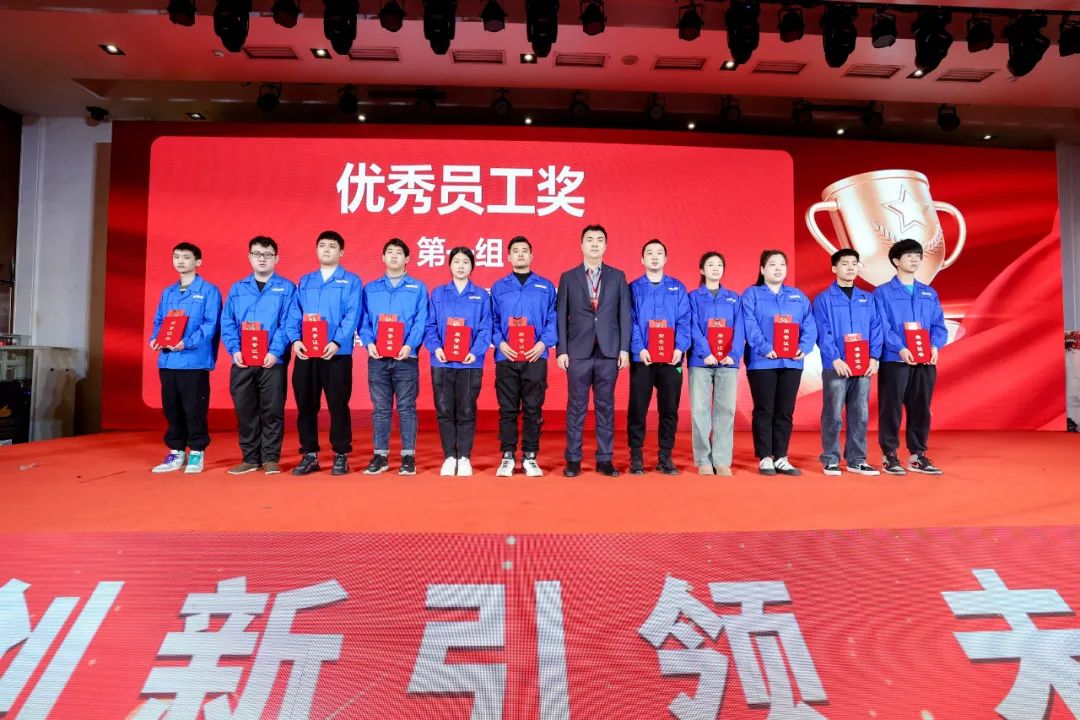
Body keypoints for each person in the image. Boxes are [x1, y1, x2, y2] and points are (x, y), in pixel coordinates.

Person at [556, 224, 631, 478]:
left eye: (599, 239)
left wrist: (624, 349)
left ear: (606, 245)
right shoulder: (569, 277)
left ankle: (605, 459)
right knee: (576, 407)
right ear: (581, 245)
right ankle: (573, 459)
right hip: (578, 351)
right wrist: (561, 350)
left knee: (605, 406)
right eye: (590, 239)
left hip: (609, 351)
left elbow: (624, 314)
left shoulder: (617, 276)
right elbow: (560, 316)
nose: (595, 243)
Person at [286, 231, 362, 476]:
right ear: (316, 250)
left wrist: (337, 342)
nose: (326, 250)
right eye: (322, 245)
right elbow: (294, 313)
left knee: (338, 405)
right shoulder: (306, 281)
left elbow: (352, 314)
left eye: (332, 246)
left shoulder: (351, 281)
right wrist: (296, 340)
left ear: (341, 252)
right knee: (306, 405)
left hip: (337, 354)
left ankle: (341, 454)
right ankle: (309, 455)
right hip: (306, 354)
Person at [220, 236, 296, 475]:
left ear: (276, 258)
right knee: (245, 410)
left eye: (267, 254)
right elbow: (227, 321)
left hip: (273, 361)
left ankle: (271, 457)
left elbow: (288, 322)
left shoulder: (287, 288)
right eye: (257, 254)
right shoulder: (237, 288)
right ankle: (250, 458)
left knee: (272, 410)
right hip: (243, 360)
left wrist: (275, 351)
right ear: (249, 257)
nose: (262, 259)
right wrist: (235, 349)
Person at [873, 238, 948, 475]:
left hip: (924, 361)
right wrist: (900, 348)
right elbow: (882, 326)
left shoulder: (928, 293)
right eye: (909, 256)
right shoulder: (882, 293)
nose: (915, 259)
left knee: (921, 408)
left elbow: (938, 324)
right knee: (891, 408)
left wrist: (935, 346)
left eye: (918, 255)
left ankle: (917, 456)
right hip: (895, 360)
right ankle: (889, 455)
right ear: (896, 261)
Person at [148, 242, 222, 474]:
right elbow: (159, 320)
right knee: (171, 407)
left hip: (194, 361)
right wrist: (155, 338)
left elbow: (210, 325)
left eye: (186, 257)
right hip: (168, 360)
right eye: (176, 256)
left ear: (198, 262)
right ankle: (176, 451)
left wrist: (186, 342)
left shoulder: (209, 291)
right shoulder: (168, 292)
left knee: (194, 408)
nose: (180, 261)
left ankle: (197, 451)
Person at [741, 249, 817, 476]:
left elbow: (809, 325)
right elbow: (749, 324)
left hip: (791, 363)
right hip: (762, 362)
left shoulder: (797, 296)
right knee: (764, 409)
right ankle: (765, 457)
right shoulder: (752, 294)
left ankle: (782, 457)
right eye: (772, 264)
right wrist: (766, 348)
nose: (778, 268)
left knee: (785, 411)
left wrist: (803, 347)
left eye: (782, 264)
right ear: (762, 269)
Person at [358, 238, 428, 476]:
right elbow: (363, 320)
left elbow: (421, 321)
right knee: (380, 409)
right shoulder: (370, 288)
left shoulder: (418, 288)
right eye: (390, 252)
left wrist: (409, 345)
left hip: (406, 358)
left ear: (407, 259)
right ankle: (380, 455)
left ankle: (408, 457)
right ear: (383, 257)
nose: (394, 256)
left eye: (399, 252)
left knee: (407, 408)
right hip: (377, 357)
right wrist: (369, 343)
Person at [490, 236, 557, 477]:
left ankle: (530, 456)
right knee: (507, 409)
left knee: (533, 409)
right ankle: (507, 456)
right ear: (508, 257)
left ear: (531, 256)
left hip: (535, 357)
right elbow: (492, 320)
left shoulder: (545, 286)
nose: (520, 254)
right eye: (515, 251)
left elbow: (553, 319)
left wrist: (543, 343)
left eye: (524, 250)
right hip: (506, 357)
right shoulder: (499, 287)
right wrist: (500, 343)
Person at [812, 249, 882, 477]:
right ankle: (830, 459)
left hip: (863, 365)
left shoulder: (868, 299)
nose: (851, 267)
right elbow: (822, 331)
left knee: (860, 414)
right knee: (833, 414)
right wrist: (834, 358)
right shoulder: (823, 299)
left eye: (854, 263)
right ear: (834, 268)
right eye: (845, 263)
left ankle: (857, 459)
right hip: (836, 366)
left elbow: (876, 328)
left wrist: (874, 357)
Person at [423, 247, 493, 477]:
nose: (461, 266)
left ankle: (464, 457)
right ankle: (449, 457)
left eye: (465, 262)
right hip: (442, 362)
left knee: (466, 409)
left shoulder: (481, 296)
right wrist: (436, 348)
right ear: (449, 265)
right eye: (456, 261)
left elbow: (486, 327)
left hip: (470, 363)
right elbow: (429, 326)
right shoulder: (438, 294)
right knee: (444, 410)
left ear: (472, 266)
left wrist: (475, 351)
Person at [627, 239, 691, 475]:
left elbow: (684, 320)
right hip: (642, 358)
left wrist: (679, 348)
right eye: (649, 253)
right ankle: (636, 456)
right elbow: (630, 320)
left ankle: (665, 456)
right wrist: (639, 348)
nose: (654, 257)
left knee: (669, 410)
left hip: (671, 359)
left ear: (666, 259)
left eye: (659, 253)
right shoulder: (633, 288)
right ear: (642, 259)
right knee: (637, 408)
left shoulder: (678, 288)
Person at [688, 251, 744, 477]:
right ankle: (703, 459)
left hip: (727, 362)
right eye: (710, 265)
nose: (715, 268)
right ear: (702, 270)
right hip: (700, 361)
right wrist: (705, 353)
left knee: (726, 409)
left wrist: (734, 354)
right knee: (699, 410)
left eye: (719, 265)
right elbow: (691, 326)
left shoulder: (734, 298)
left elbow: (740, 328)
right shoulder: (693, 297)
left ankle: (721, 459)